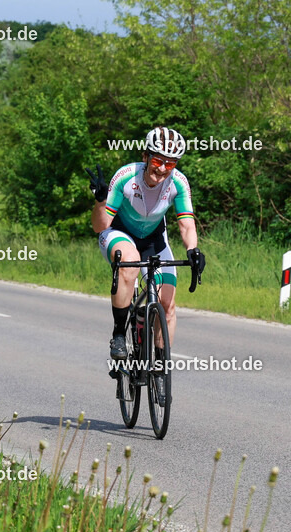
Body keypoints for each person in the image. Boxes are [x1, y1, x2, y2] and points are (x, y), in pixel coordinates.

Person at [87, 127, 205, 363]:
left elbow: (187, 225)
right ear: (145, 157)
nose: (162, 169)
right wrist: (100, 202)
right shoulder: (126, 177)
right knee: (129, 261)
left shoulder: (179, 183)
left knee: (167, 305)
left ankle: (160, 365)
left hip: (153, 239)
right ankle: (118, 334)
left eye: (170, 164)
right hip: (119, 232)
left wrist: (192, 250)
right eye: (158, 161)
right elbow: (100, 226)